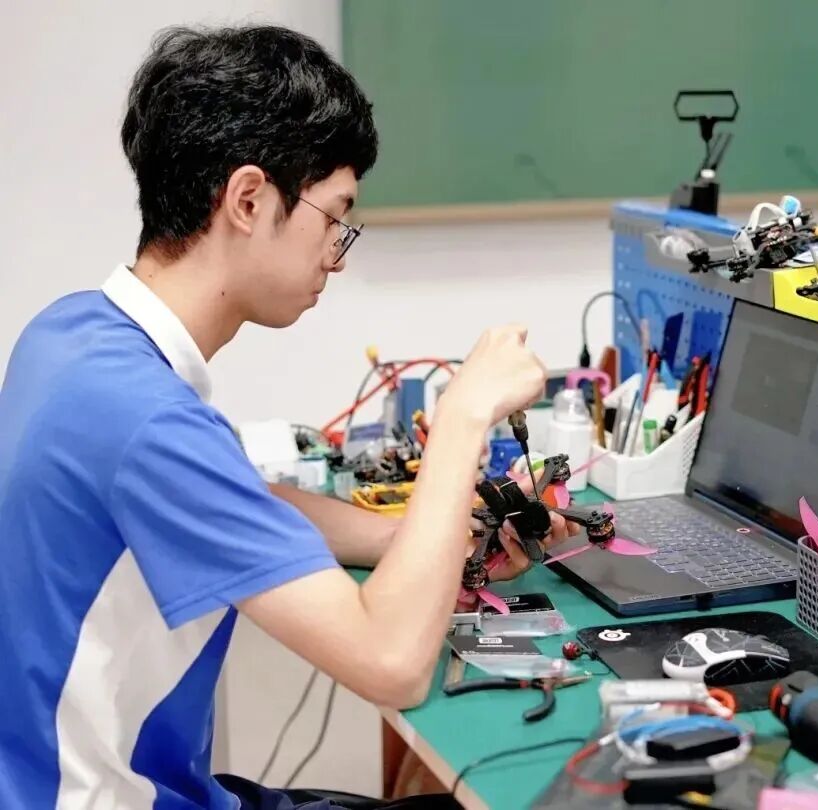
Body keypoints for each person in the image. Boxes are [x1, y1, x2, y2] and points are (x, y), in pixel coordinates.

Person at [0, 24, 578, 810]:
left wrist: (435, 540)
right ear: (248, 200)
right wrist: (464, 415)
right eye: (334, 217)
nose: (337, 252)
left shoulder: (71, 334)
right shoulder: (145, 423)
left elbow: (234, 497)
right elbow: (393, 664)